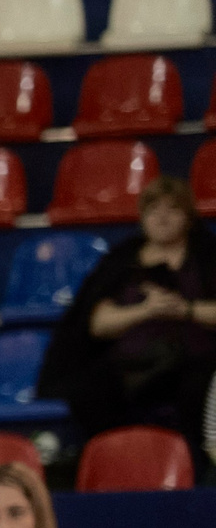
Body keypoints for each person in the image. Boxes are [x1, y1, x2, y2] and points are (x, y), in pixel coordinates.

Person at [41, 174, 216, 447]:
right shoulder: (121, 260)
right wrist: (146, 310)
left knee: (199, 387)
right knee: (89, 388)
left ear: (188, 217)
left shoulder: (208, 256)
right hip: (133, 363)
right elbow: (97, 324)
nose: (162, 218)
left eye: (172, 209)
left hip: (194, 360)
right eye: (153, 210)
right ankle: (113, 459)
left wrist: (185, 310)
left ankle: (195, 469)